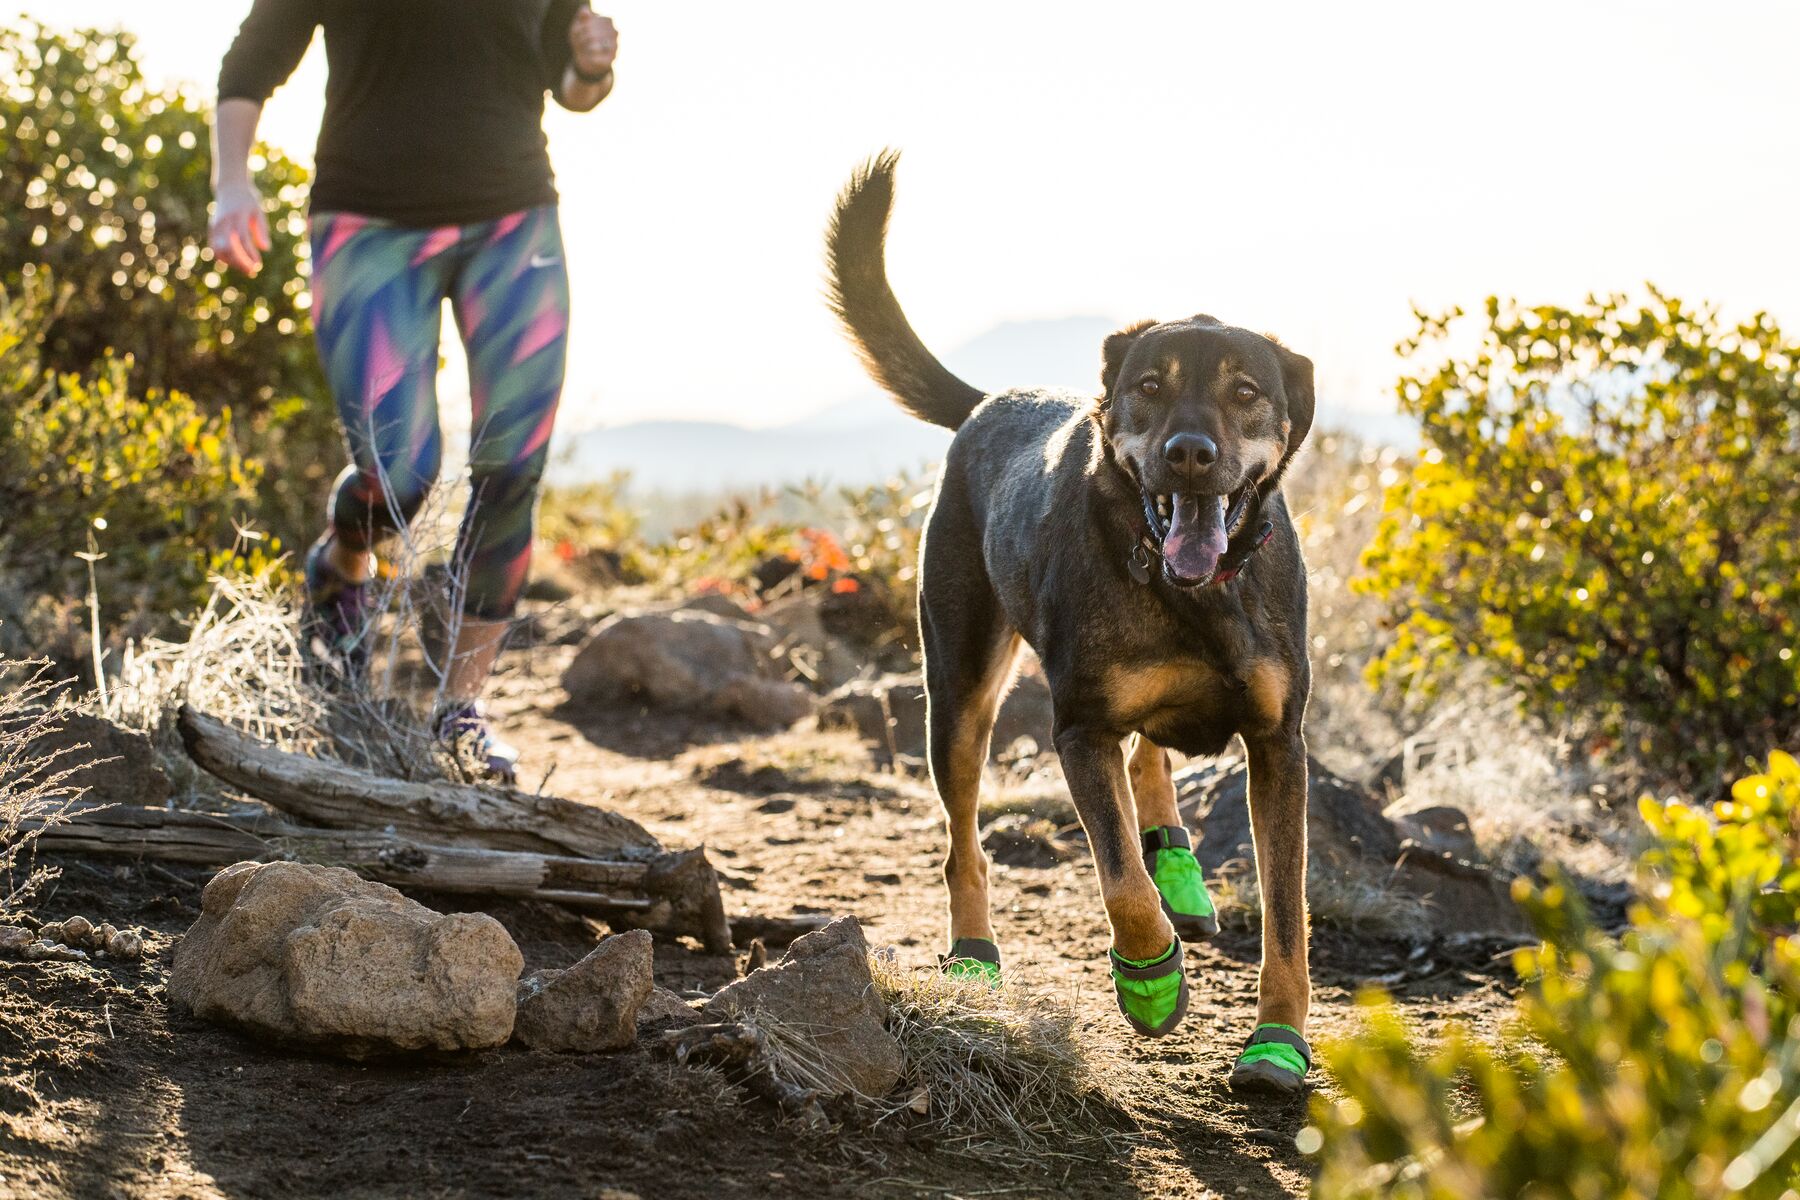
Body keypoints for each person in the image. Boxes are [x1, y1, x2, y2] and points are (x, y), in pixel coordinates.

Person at [210, 1, 618, 780]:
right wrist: (233, 182)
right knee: (398, 475)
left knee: (513, 467)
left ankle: (461, 714)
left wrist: (591, 67)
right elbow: (254, 57)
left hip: (514, 220)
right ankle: (342, 564)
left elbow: (564, 79)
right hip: (365, 226)